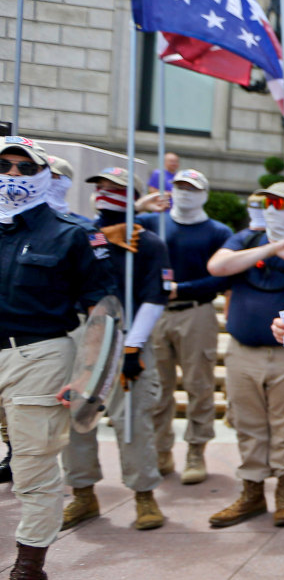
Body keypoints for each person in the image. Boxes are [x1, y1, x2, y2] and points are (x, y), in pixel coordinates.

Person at [0, 136, 117, 578]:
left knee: (32, 469)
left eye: (25, 169)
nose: (13, 175)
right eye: (5, 165)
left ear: (45, 175)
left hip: (39, 357)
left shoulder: (71, 235)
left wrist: (91, 379)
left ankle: (29, 566)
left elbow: (103, 313)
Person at [206, 181, 284, 529]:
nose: (277, 208)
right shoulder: (246, 241)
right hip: (242, 352)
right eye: (271, 202)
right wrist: (273, 247)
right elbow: (218, 267)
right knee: (247, 424)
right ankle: (252, 490)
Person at [60, 167, 170, 533]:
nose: (105, 192)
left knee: (132, 420)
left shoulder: (148, 242)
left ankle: (143, 494)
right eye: (101, 187)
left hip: (128, 337)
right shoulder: (81, 235)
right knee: (76, 417)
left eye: (115, 189)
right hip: (85, 337)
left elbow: (156, 297)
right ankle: (82, 492)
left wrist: (134, 345)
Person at [148, 169, 233, 486]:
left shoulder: (218, 231)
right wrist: (141, 205)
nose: (184, 193)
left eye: (192, 188)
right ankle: (160, 450)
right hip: (156, 313)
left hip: (196, 313)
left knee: (199, 386)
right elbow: (102, 235)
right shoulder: (153, 222)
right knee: (158, 388)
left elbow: (223, 276)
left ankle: (196, 451)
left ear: (204, 193)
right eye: (179, 186)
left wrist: (182, 288)